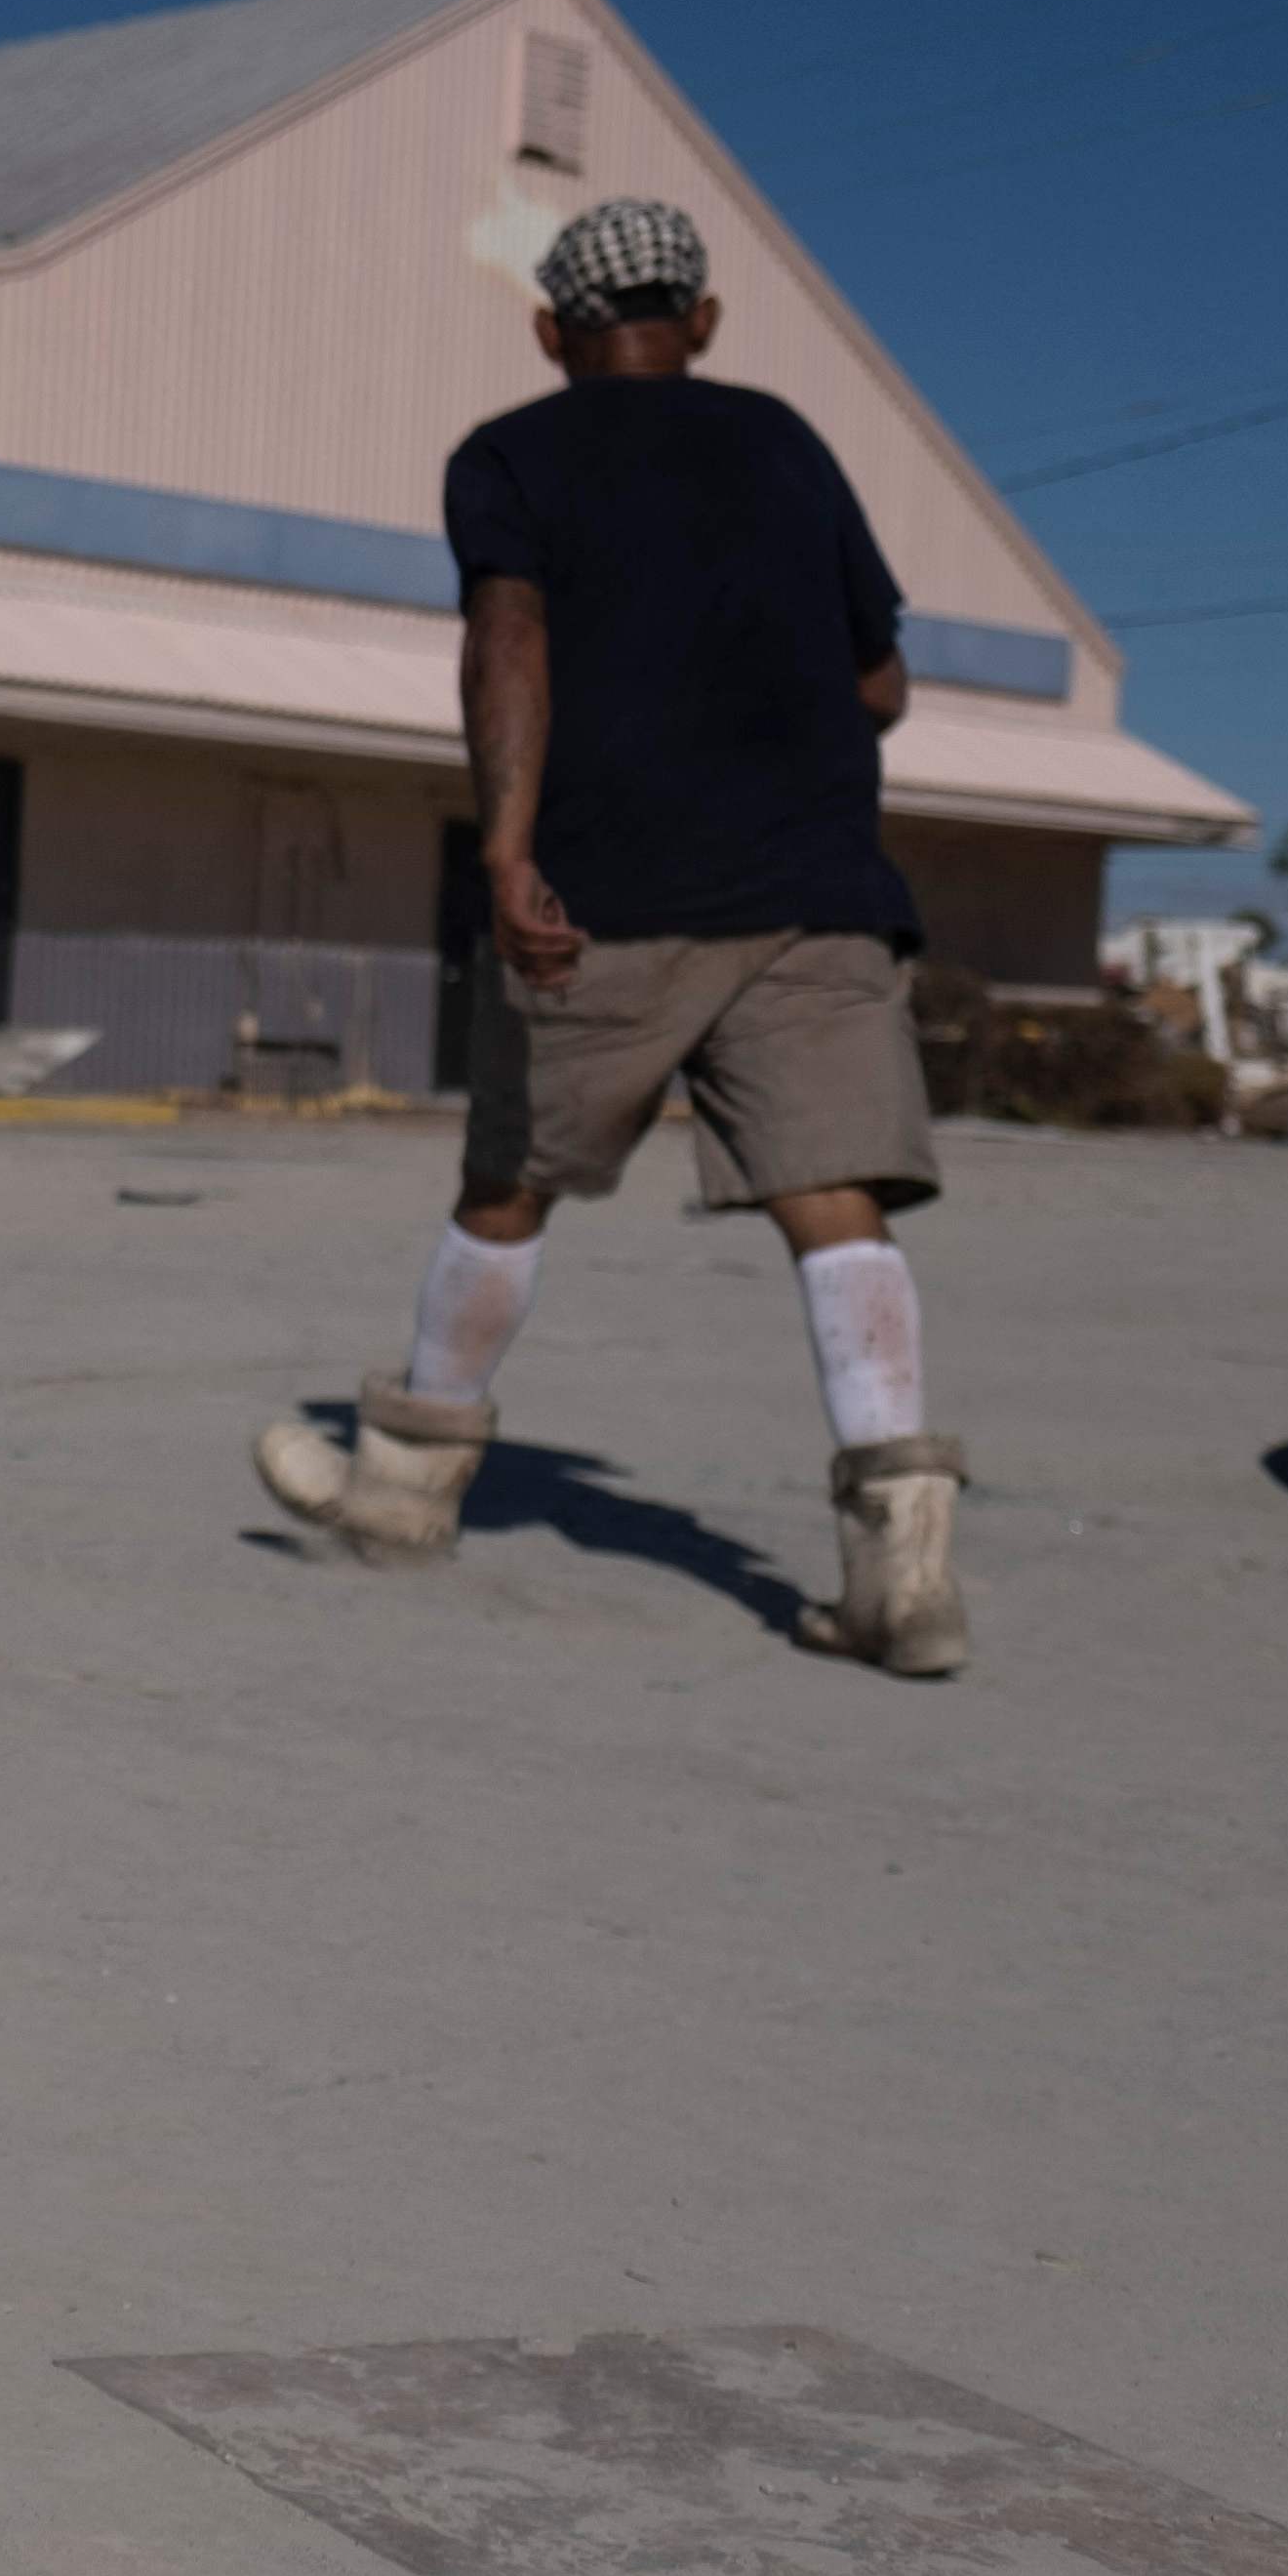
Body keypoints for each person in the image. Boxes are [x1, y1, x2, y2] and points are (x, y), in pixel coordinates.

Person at [251, 197, 972, 1676]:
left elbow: (506, 641)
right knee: (835, 1203)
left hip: (616, 892)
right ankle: (903, 1574)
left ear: (549, 331)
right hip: (815, 889)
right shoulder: (786, 443)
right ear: (701, 322)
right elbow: (882, 684)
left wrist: (507, 848)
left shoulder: (513, 454)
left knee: (510, 1183)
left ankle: (400, 1493)